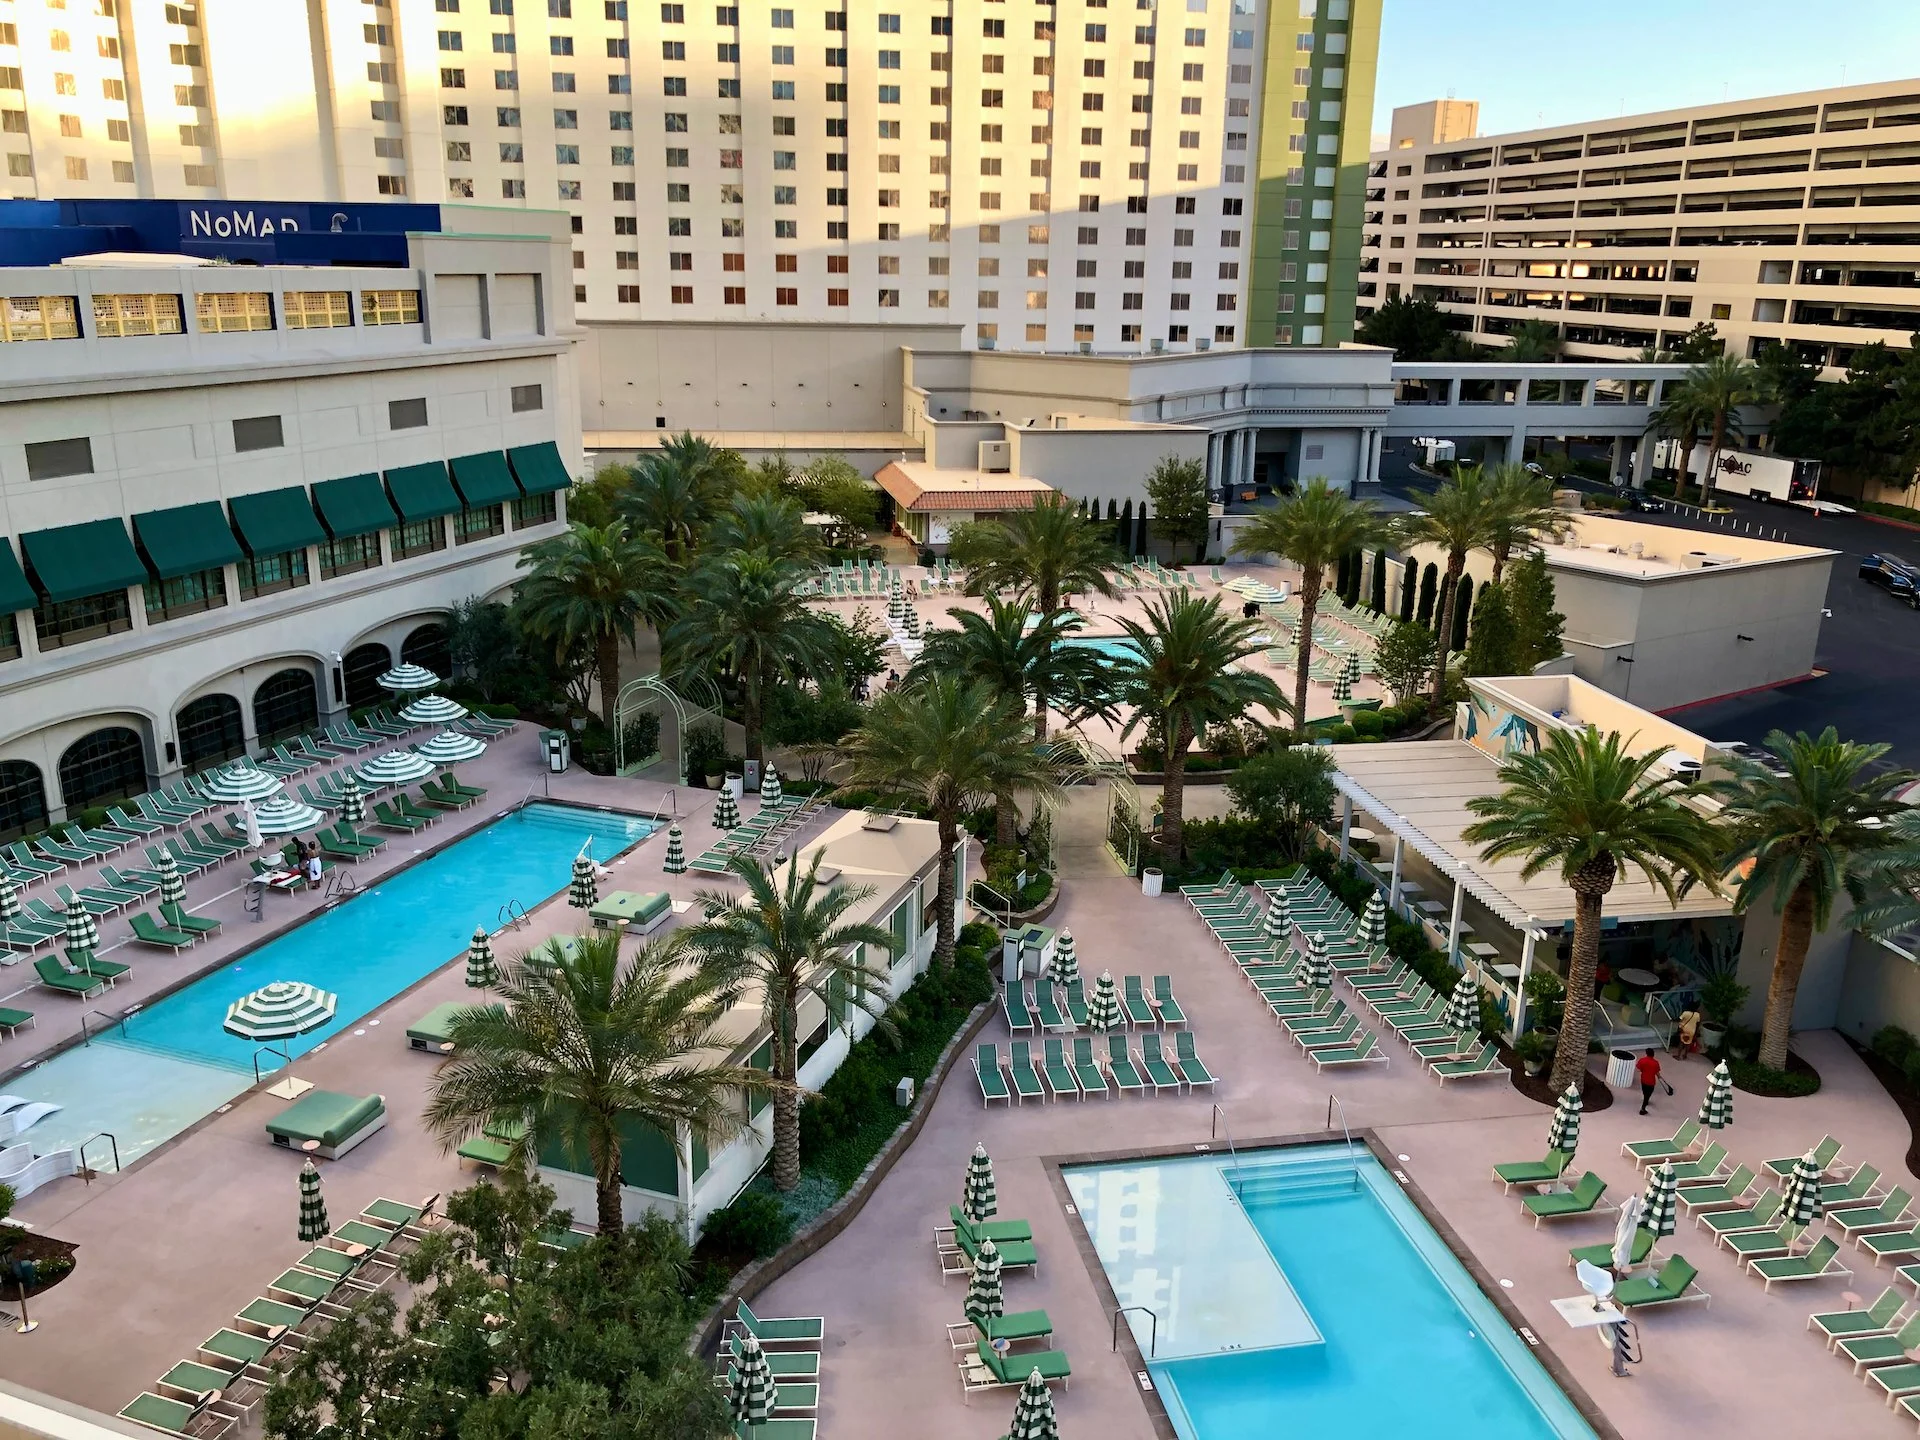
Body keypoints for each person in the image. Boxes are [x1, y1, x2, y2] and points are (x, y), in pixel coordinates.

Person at [1634, 1048, 1662, 1116]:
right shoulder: (1655, 1063)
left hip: (1643, 1080)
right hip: (1651, 1082)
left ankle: (1645, 1101)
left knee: (1645, 1092)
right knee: (1648, 1094)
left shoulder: (1642, 1060)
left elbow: (1638, 1068)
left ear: (1646, 1053)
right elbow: (1657, 1073)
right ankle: (1643, 1108)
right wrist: (1659, 1077)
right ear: (1653, 1054)